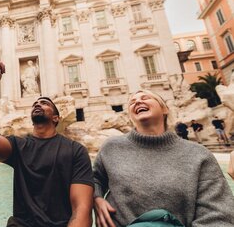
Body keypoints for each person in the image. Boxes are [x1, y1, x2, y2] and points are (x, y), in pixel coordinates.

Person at [93, 89, 234, 227]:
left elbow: (218, 213)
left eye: (145, 98)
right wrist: (97, 198)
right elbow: (93, 179)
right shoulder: (111, 147)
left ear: (165, 109)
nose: (137, 102)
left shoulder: (199, 155)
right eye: (132, 102)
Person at [0, 62, 94, 227]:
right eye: (35, 104)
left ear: (56, 118)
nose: (38, 104)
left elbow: (82, 208)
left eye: (45, 103)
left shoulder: (76, 150)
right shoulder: (18, 146)